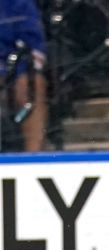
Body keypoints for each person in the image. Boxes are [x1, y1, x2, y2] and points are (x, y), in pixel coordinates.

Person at [0, 0, 47, 152]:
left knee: (32, 83)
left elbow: (33, 47)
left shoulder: (17, 3)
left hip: (9, 66)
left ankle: (33, 158)